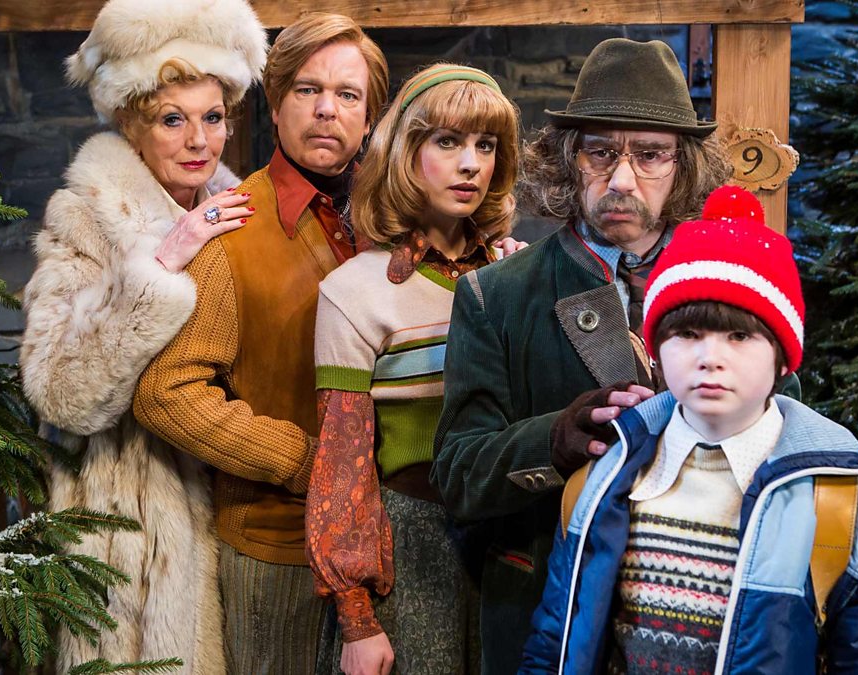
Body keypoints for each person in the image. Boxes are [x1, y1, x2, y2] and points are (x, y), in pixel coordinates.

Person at [520, 185, 858, 674]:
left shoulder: (850, 507)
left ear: (782, 359)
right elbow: (554, 643)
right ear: (657, 348)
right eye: (687, 334)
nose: (710, 357)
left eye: (739, 336)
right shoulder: (607, 479)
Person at [431, 38, 733, 672]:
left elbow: (782, 425)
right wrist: (555, 440)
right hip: (550, 615)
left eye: (649, 155)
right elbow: (457, 476)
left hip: (703, 615)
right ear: (570, 160)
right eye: (601, 152)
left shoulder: (731, 283)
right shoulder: (495, 295)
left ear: (683, 166)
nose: (621, 180)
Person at [132, 13, 389, 674]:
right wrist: (305, 461)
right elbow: (166, 393)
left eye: (348, 94)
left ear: (370, 118)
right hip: (279, 550)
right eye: (307, 90)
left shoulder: (397, 225)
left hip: (388, 544)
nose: (327, 109)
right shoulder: (232, 231)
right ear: (275, 107)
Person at [18, 0, 267, 672]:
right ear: (133, 126)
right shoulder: (86, 216)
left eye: (213, 117)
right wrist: (159, 268)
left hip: (235, 504)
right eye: (172, 119)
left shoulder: (239, 215)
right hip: (131, 532)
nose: (199, 140)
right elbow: (59, 391)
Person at [306, 63, 520, 675]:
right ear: (406, 153)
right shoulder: (355, 291)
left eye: (486, 145)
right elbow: (343, 462)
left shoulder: (516, 277)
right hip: (411, 542)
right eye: (448, 142)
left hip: (511, 538)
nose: (471, 164)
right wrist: (356, 616)